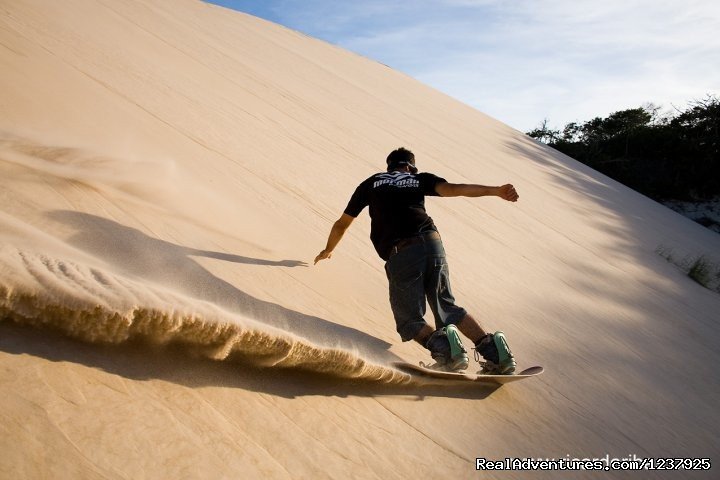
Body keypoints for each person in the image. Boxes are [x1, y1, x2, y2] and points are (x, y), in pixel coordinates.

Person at [314, 147, 519, 373]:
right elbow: (454, 189)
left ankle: (450, 354)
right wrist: (496, 190)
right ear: (411, 166)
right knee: (446, 306)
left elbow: (342, 223)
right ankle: (498, 355)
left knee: (409, 319)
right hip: (433, 244)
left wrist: (328, 249)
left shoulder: (371, 183)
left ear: (389, 166)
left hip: (402, 251)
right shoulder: (418, 178)